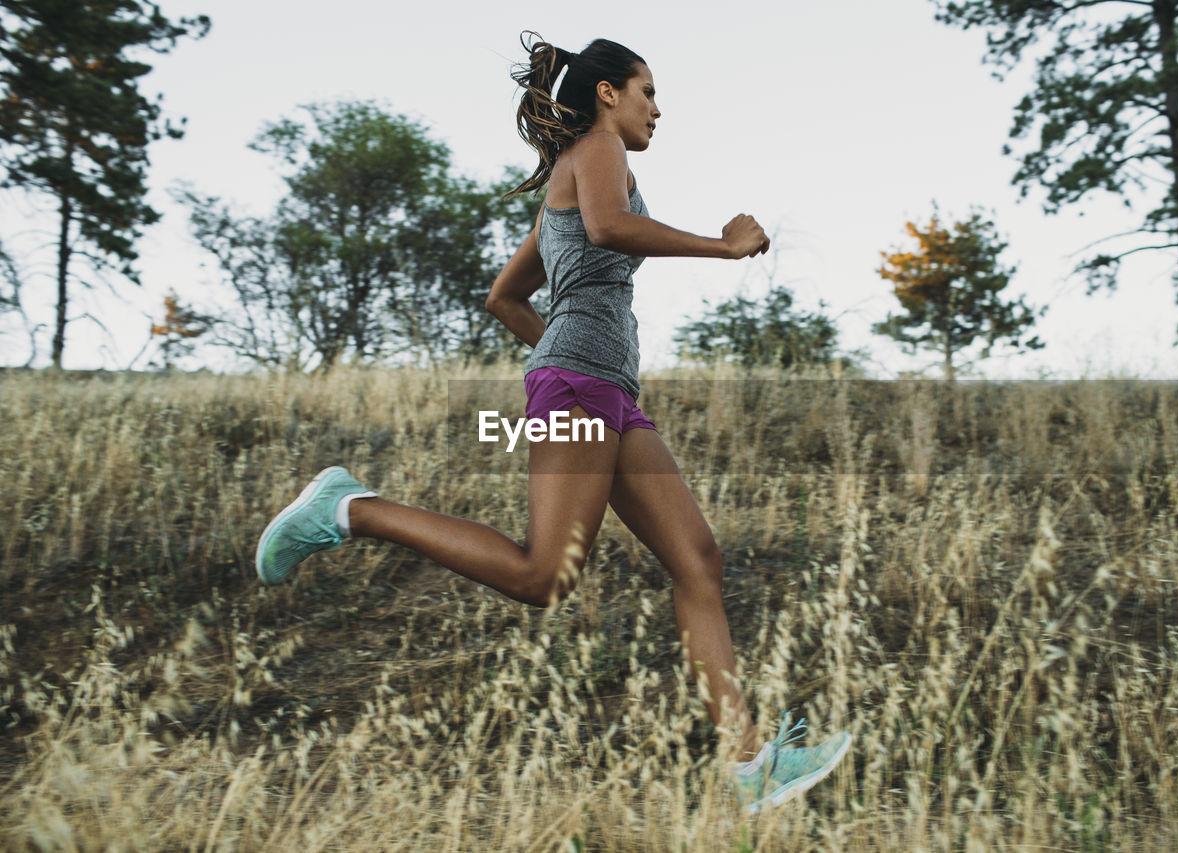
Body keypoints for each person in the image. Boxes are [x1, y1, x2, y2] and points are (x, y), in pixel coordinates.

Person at [254, 31, 850, 814]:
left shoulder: (576, 179)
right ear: (608, 93)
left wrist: (573, 361)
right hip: (581, 388)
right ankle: (345, 508)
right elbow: (608, 230)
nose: (657, 108)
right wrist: (721, 246)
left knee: (698, 560)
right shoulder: (599, 149)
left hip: (601, 390)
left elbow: (505, 297)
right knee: (546, 575)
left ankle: (750, 767)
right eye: (648, 91)